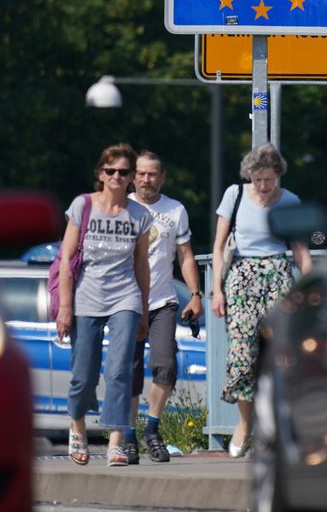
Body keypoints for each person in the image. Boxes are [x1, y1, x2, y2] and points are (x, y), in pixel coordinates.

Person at [211, 143, 312, 458]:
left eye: (269, 180)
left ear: (277, 175)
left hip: (278, 274)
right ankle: (244, 424)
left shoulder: (290, 201)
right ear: (250, 177)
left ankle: (274, 429)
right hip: (242, 275)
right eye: (258, 180)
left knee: (279, 353)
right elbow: (217, 246)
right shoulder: (235, 195)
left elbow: (301, 251)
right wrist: (218, 288)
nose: (264, 186)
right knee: (241, 355)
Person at [56, 143, 153, 467]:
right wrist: (65, 308)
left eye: (123, 172)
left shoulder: (139, 214)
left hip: (125, 295)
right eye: (110, 171)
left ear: (130, 179)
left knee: (119, 369)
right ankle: (78, 426)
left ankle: (116, 441)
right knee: (83, 374)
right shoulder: (83, 206)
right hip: (86, 296)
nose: (116, 176)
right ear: (101, 174)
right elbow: (68, 258)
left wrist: (143, 308)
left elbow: (142, 264)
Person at [124, 150, 204, 464]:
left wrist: (195, 294)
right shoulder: (123, 208)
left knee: (166, 364)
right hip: (127, 302)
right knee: (128, 372)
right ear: (133, 176)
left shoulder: (175, 210)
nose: (147, 179)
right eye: (142, 174)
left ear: (163, 177)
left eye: (153, 174)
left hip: (162, 301)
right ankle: (128, 435)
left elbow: (185, 255)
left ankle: (152, 429)